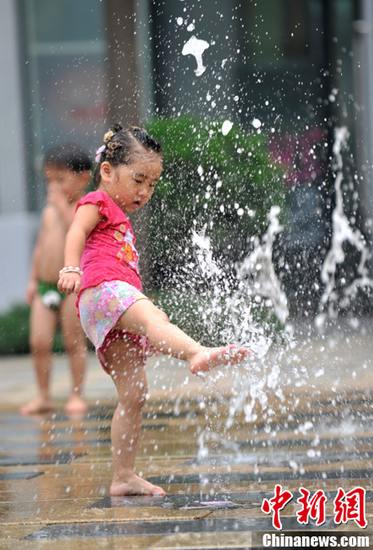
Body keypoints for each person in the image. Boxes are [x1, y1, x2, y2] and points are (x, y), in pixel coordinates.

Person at [58, 124, 250, 496]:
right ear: (108, 171)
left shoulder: (116, 210)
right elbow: (75, 233)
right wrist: (70, 267)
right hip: (103, 290)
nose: (145, 192)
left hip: (103, 306)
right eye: (138, 180)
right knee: (153, 319)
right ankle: (195, 352)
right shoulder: (96, 203)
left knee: (134, 394)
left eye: (152, 184)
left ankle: (123, 475)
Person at [21, 144, 92, 416]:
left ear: (83, 177)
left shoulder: (84, 209)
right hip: (45, 285)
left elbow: (77, 234)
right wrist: (32, 279)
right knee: (39, 343)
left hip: (72, 287)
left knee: (74, 343)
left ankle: (77, 395)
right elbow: (41, 246)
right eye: (49, 180)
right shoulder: (49, 211)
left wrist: (63, 207)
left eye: (60, 180)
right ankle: (43, 395)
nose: (52, 187)